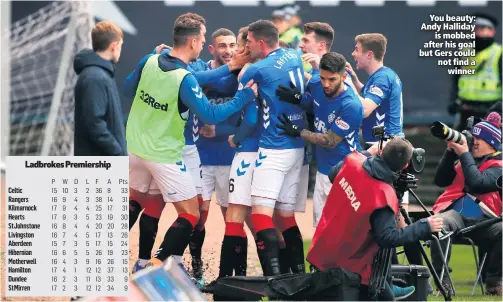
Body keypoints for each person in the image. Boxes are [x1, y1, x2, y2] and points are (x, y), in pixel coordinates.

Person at [125, 15, 257, 269]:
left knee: (137, 202)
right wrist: (243, 96)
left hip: (136, 146)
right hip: (163, 152)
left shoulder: (151, 59)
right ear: (195, 42)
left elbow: (129, 89)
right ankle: (154, 265)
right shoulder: (184, 78)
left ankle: (97, 260)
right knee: (190, 214)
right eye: (205, 39)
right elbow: (210, 115)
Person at [307, 137, 443, 300]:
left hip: (322, 250)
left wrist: (367, 153)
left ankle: (388, 284)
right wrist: (425, 225)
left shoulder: (353, 161)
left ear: (380, 152)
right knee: (386, 298)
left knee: (385, 292)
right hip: (349, 266)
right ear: (406, 165)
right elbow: (387, 238)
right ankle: (387, 287)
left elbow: (332, 174)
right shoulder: (383, 195)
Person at [237, 19, 306, 276]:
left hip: (274, 147)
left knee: (261, 216)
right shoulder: (293, 54)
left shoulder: (259, 69)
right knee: (286, 217)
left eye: (249, 42)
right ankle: (298, 276)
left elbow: (241, 79)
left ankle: (273, 279)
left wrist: (244, 64)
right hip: (297, 146)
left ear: (261, 43)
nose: (247, 45)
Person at [275, 52, 363, 227]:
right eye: (323, 78)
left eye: (332, 79)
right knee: (321, 228)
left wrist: (299, 131)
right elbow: (311, 102)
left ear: (344, 76)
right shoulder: (317, 83)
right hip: (323, 171)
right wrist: (298, 98)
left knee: (340, 230)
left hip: (345, 172)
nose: (326, 84)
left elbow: (330, 141)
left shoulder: (351, 105)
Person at [432, 112, 502, 296]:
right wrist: (450, 152)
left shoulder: (498, 166)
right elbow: (440, 180)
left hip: (485, 220)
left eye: (481, 138)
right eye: (475, 137)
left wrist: (463, 154)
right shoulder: (465, 157)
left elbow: (477, 183)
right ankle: (442, 282)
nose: (475, 141)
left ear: (492, 142)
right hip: (457, 213)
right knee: (439, 224)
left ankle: (494, 281)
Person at [73, 21, 126, 156]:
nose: (120, 50)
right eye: (120, 46)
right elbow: (94, 123)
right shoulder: (95, 77)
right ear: (113, 46)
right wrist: (117, 151)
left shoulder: (102, 74)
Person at [449, 13, 502, 131]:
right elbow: (456, 80)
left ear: (492, 31)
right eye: (475, 28)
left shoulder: (498, 53)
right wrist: (453, 101)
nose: (478, 32)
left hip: (491, 111)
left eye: (482, 28)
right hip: (465, 110)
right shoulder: (463, 52)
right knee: (457, 145)